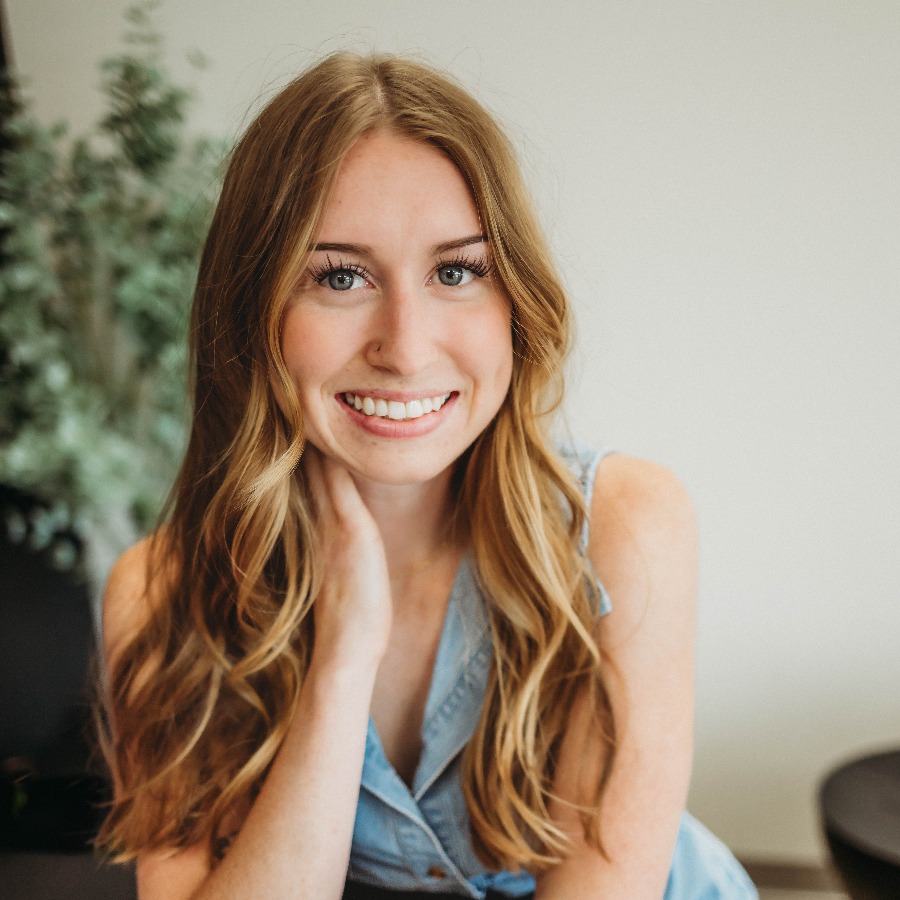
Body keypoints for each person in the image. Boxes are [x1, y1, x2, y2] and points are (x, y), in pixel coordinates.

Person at [98, 52, 757, 899]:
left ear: (514, 300)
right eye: (340, 276)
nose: (406, 348)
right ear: (252, 312)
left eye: (456, 272)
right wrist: (342, 658)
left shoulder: (627, 528)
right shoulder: (160, 593)